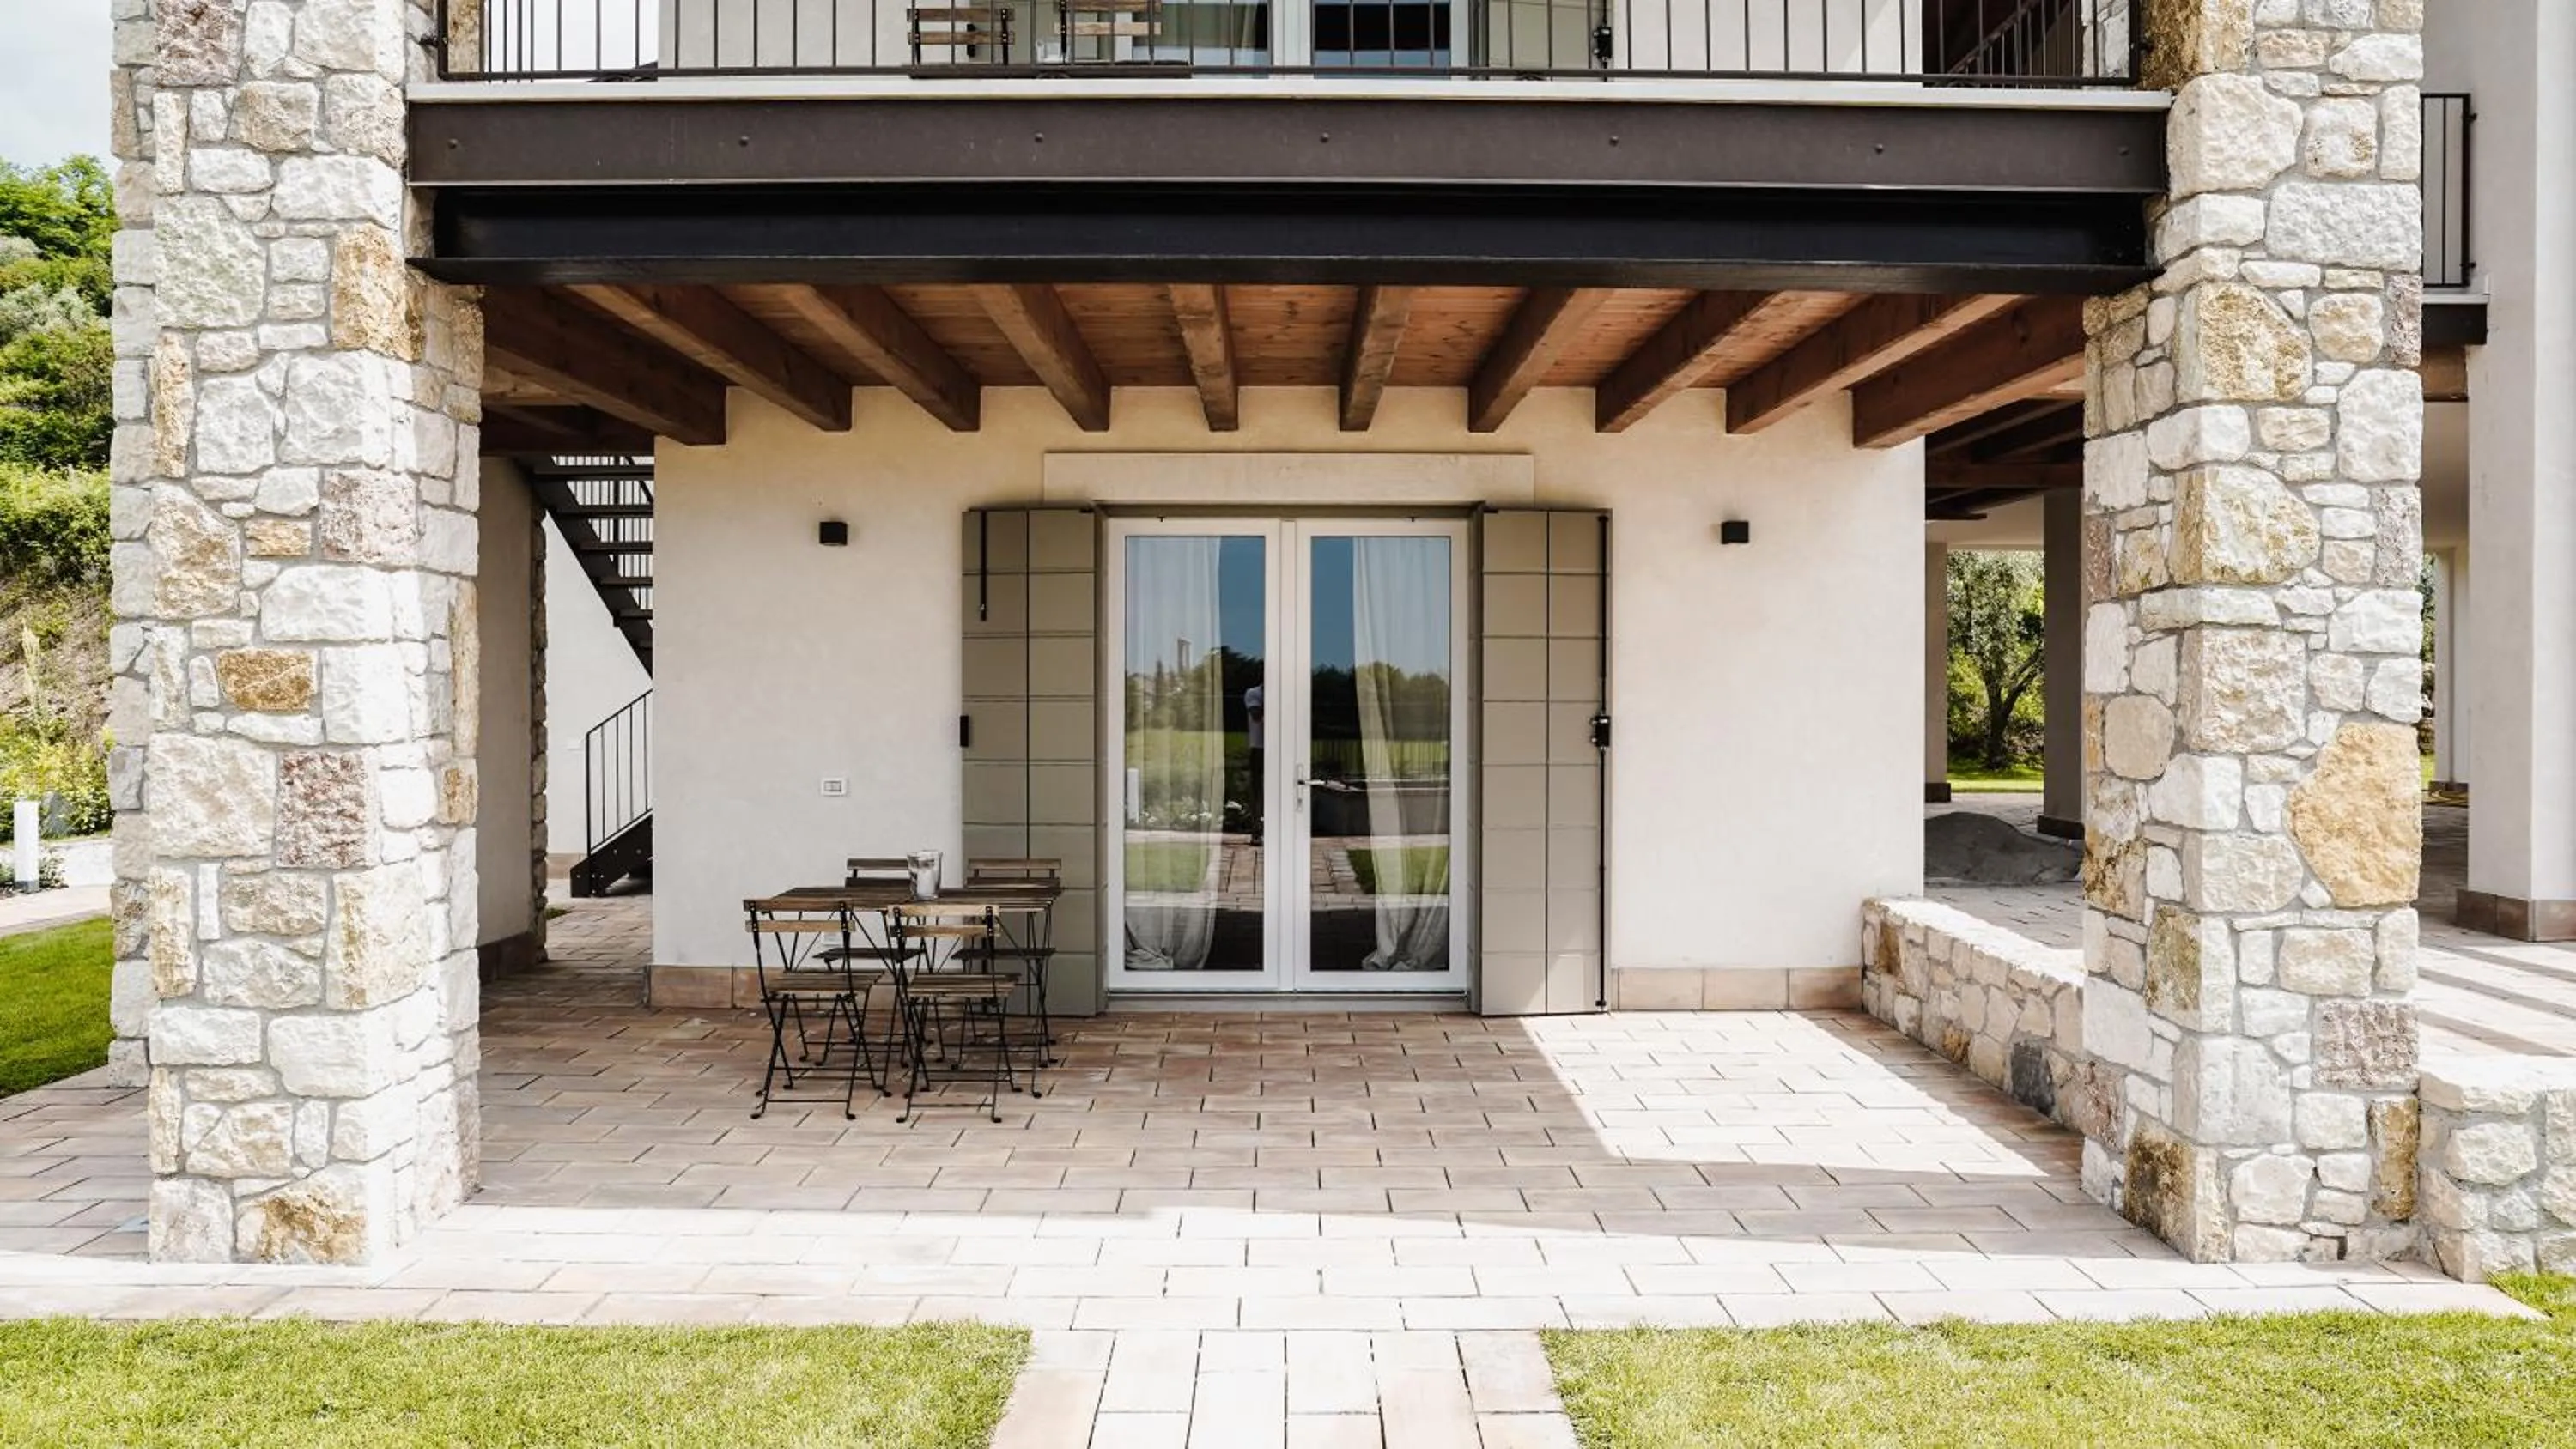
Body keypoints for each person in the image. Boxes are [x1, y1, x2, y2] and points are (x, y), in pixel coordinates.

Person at [1243, 681, 1265, 846]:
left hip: (1280, 750)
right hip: (1259, 748)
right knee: (1257, 790)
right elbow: (1256, 715)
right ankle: (1256, 832)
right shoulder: (1253, 693)